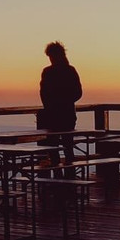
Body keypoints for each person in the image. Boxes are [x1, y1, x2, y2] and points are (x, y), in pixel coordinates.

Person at [37, 41, 82, 172]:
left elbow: (43, 93)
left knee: (54, 148)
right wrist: (66, 101)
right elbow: (78, 92)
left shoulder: (48, 72)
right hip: (67, 115)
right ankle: (69, 175)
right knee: (67, 147)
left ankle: (60, 175)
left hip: (54, 116)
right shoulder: (69, 70)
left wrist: (51, 105)